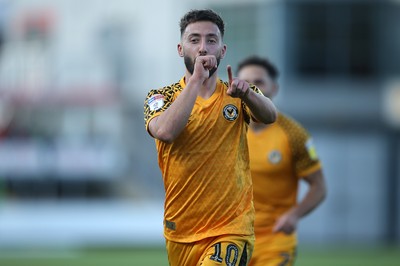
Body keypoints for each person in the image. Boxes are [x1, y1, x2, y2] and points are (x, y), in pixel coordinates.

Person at [143, 9, 277, 266]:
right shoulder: (161, 96)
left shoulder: (237, 92)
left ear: (223, 50)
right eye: (194, 40)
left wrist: (248, 94)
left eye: (211, 40)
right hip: (181, 231)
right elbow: (165, 132)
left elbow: (270, 114)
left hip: (231, 228)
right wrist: (196, 81)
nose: (203, 48)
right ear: (181, 49)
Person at [236, 56, 327, 266]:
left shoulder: (293, 134)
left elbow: (319, 186)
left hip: (274, 239)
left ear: (274, 88)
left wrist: (294, 215)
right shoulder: (226, 127)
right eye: (244, 82)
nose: (250, 88)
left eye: (258, 82)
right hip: (231, 235)